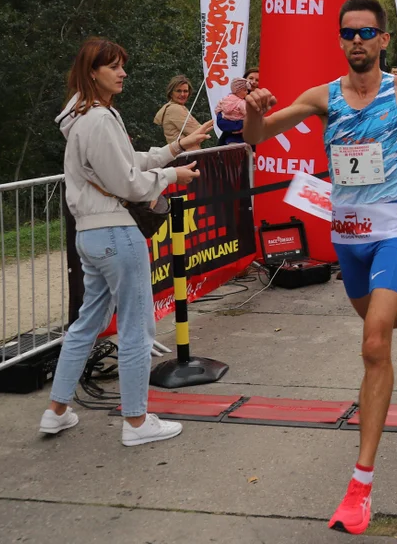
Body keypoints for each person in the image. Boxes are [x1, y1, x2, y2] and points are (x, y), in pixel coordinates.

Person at [242, 0, 397, 534]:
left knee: (374, 342)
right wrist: (254, 108)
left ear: (383, 40)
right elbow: (257, 137)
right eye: (348, 33)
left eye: (366, 32)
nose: (356, 41)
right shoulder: (323, 97)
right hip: (347, 237)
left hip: (394, 229)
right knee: (372, 316)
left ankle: (360, 486)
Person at [43, 38, 212, 446]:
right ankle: (136, 422)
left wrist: (175, 148)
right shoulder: (99, 119)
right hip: (116, 233)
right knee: (137, 326)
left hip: (91, 234)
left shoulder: (86, 118)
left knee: (89, 323)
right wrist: (174, 175)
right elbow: (128, 182)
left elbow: (125, 163)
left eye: (122, 65)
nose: (122, 73)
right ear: (91, 73)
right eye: (113, 66)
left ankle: (56, 411)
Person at [153, 75, 204, 150]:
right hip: (186, 155)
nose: (182, 94)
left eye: (185, 91)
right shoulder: (174, 109)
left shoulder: (175, 107)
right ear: (171, 93)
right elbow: (199, 134)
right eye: (178, 91)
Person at [214, 78, 250, 145]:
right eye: (245, 90)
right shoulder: (241, 102)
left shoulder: (225, 99)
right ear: (238, 91)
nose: (247, 92)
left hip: (230, 135)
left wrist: (223, 115)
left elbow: (217, 109)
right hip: (241, 131)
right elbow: (248, 114)